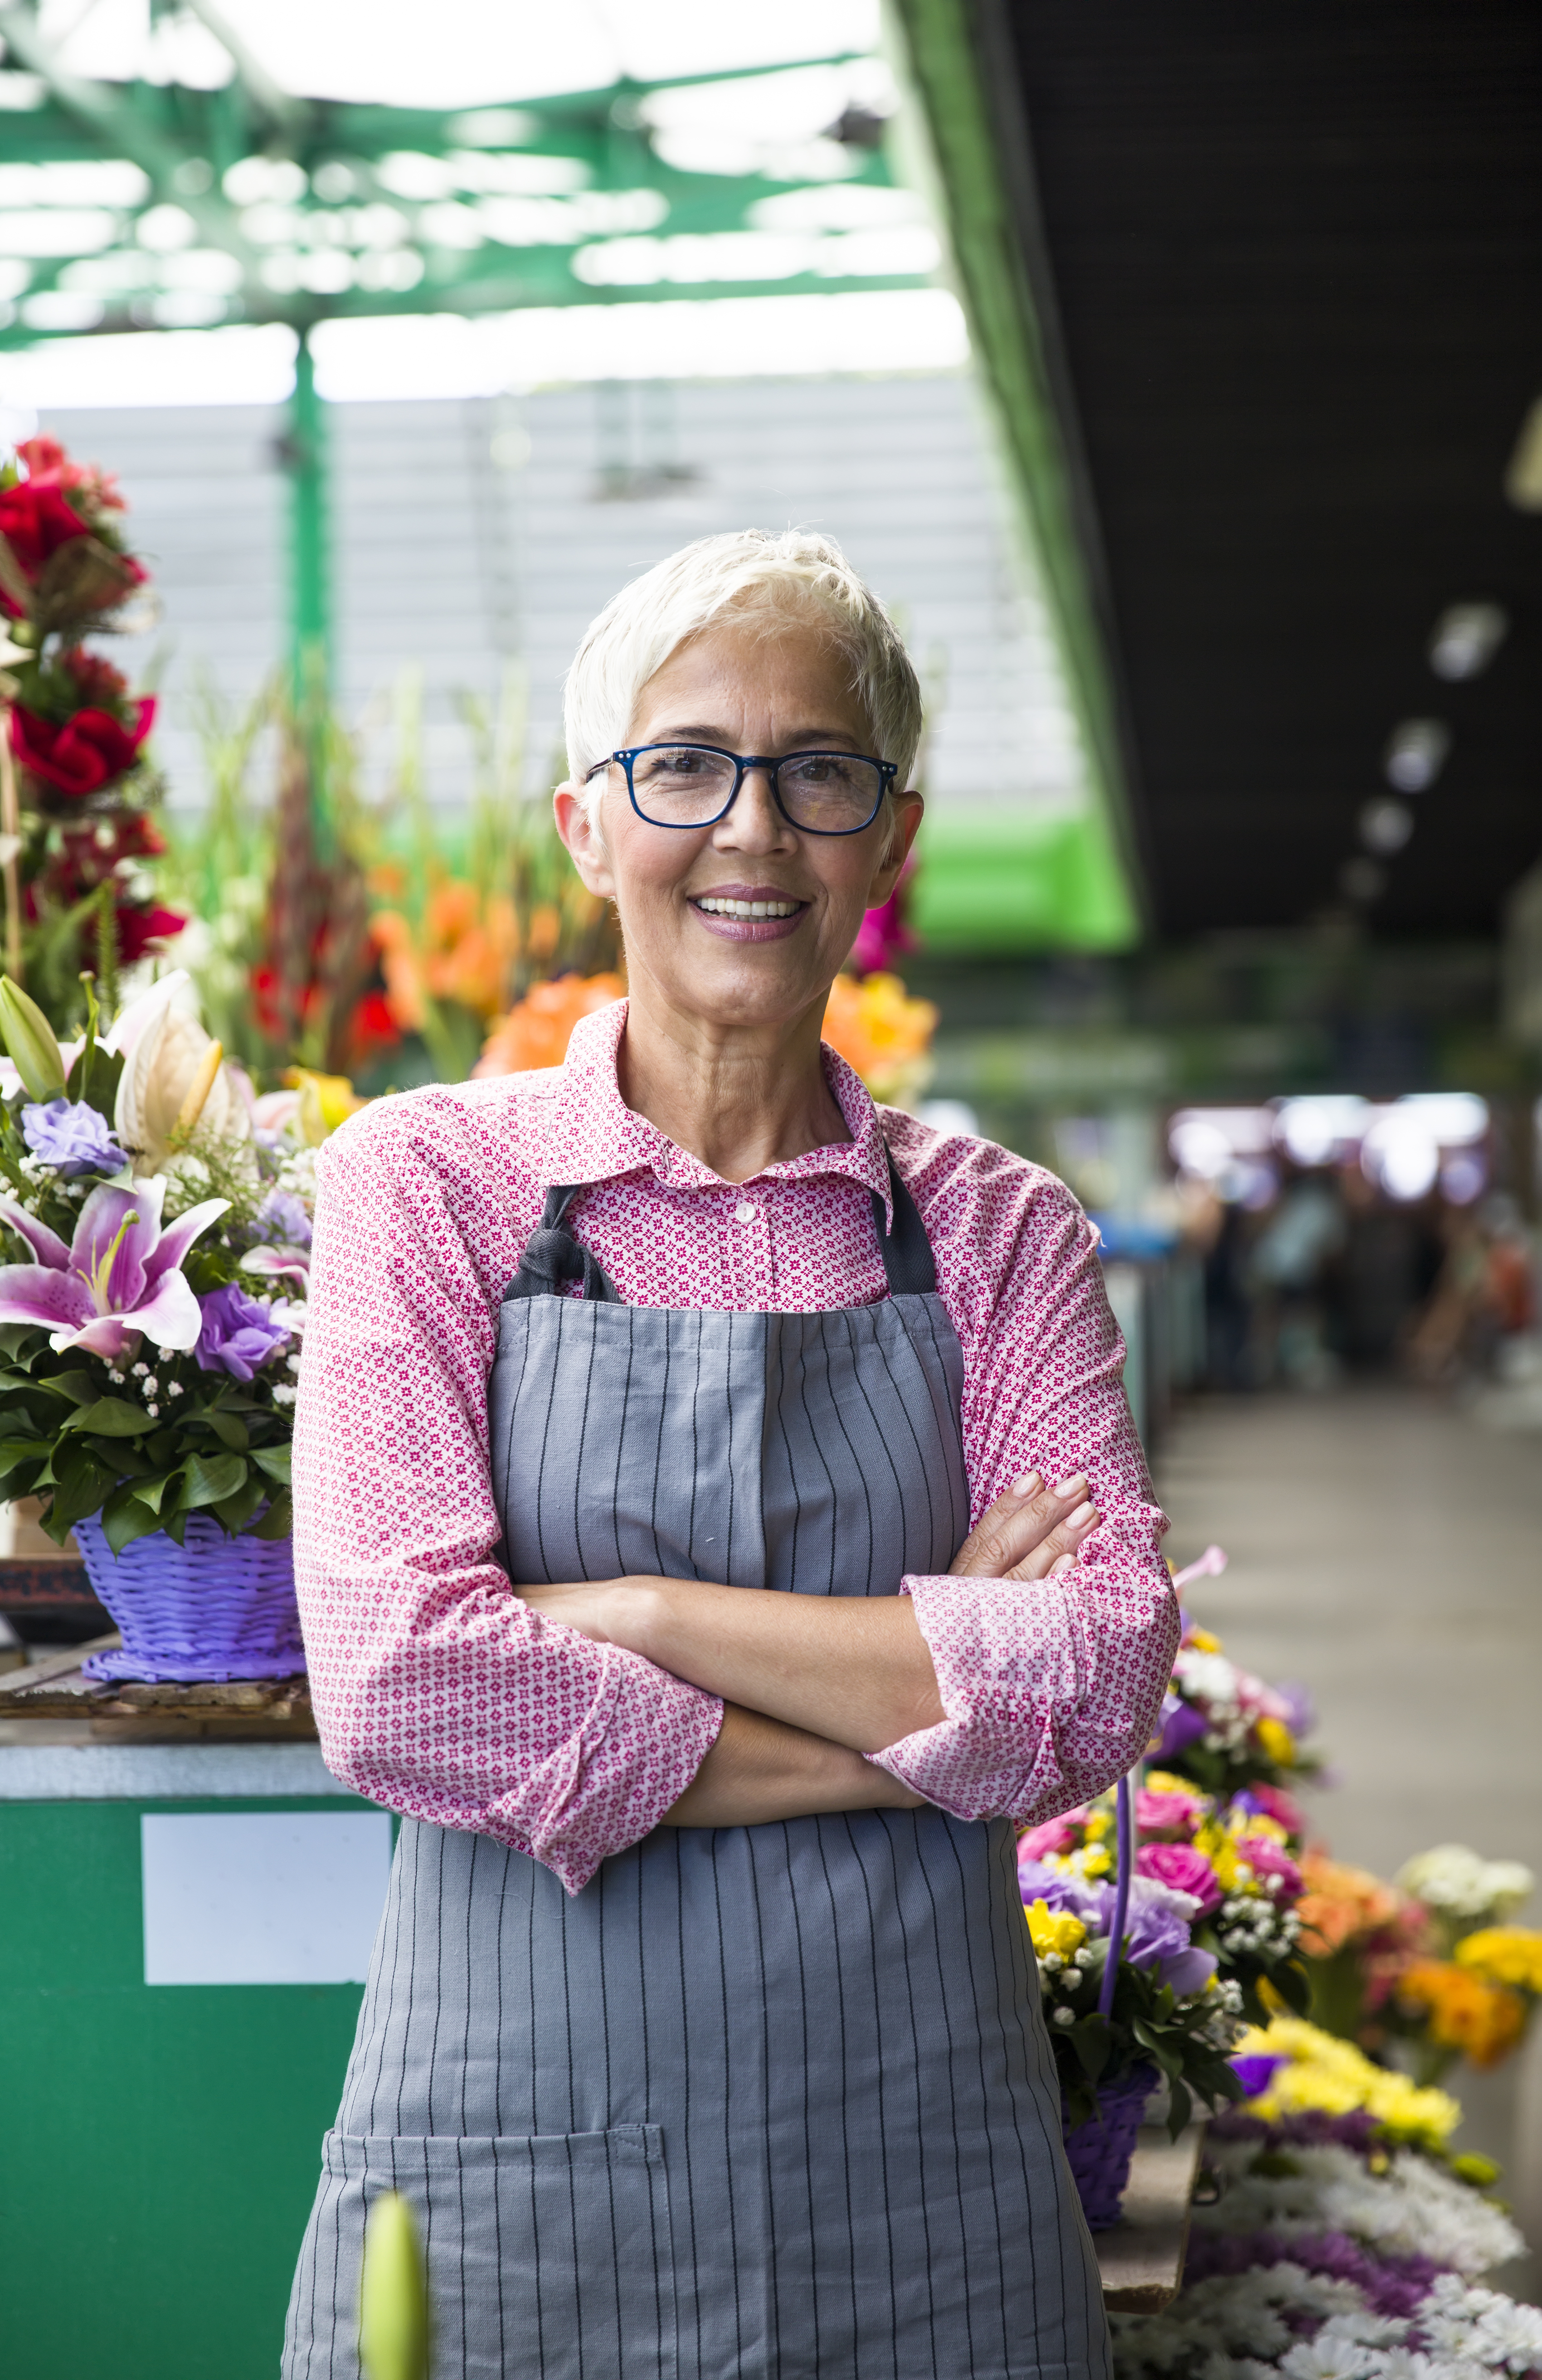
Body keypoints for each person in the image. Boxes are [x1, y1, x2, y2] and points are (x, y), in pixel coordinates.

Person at [282, 529, 1179, 2380]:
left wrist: (622, 1609)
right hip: (516, 2166)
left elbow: (1092, 1678)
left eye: (818, 772)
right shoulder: (421, 1186)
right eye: (681, 765)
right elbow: (401, 1683)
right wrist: (912, 1732)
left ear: (890, 836)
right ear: (585, 827)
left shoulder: (1000, 1232)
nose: (751, 830)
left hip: (926, 2176)